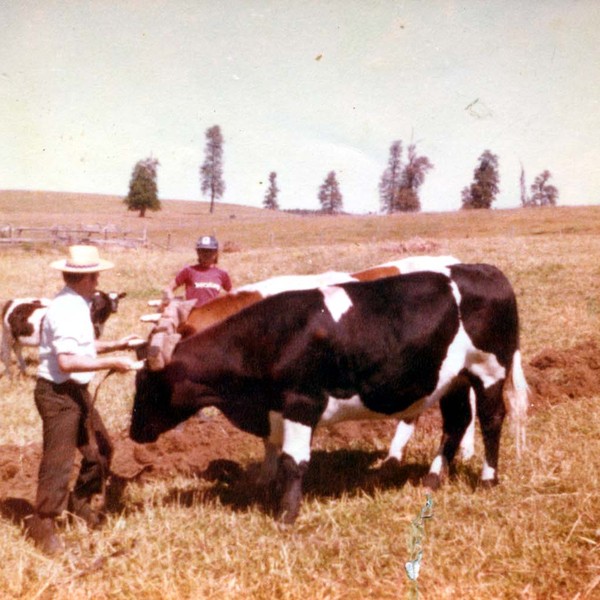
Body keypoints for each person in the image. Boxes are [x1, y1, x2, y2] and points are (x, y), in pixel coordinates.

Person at [25, 245, 141, 555]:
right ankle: (44, 525)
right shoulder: (66, 309)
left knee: (101, 447)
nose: (99, 281)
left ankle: (79, 503)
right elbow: (66, 361)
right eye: (96, 276)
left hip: (74, 391)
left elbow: (82, 347)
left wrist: (118, 344)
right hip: (57, 394)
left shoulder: (76, 304)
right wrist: (112, 362)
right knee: (58, 461)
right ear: (85, 278)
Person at [163, 235, 232, 307]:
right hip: (193, 314)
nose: (206, 254)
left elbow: (233, 293)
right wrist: (169, 297)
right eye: (203, 251)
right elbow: (168, 289)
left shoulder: (222, 273)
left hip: (212, 314)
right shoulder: (189, 271)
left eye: (210, 251)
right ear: (198, 252)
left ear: (215, 253)